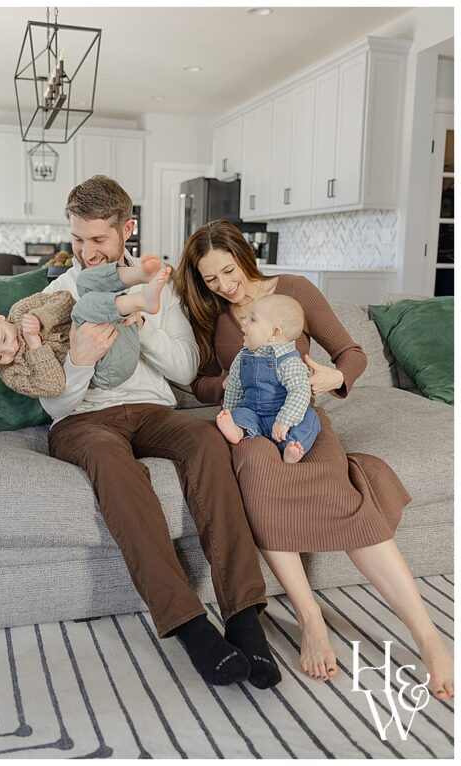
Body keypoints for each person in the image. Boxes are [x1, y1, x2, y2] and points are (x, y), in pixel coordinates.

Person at [174, 218, 453, 701]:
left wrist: (331, 378)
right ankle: (311, 618)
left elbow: (352, 352)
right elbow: (197, 382)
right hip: (248, 424)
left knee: (344, 494)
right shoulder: (211, 312)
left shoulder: (295, 291)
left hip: (299, 415)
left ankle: (428, 636)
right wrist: (232, 385)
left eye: (228, 270)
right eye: (210, 278)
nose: (224, 285)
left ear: (244, 254)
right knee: (259, 475)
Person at [39, 175, 281, 690]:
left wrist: (140, 316)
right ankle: (192, 627)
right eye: (78, 239)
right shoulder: (58, 295)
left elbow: (187, 366)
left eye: (98, 239)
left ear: (126, 229)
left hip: (151, 408)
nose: (86, 252)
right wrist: (78, 363)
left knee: (206, 442)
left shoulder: (158, 286)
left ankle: (244, 617)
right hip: (83, 420)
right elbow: (53, 401)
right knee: (110, 462)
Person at [0, 256, 171, 397]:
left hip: (121, 328)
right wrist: (35, 344)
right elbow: (54, 387)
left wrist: (40, 317)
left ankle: (139, 274)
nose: (10, 350)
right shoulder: (13, 373)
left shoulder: (20, 311)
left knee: (84, 281)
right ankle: (141, 301)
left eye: (4, 340)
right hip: (108, 369)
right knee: (84, 307)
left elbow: (65, 300)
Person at [217, 293, 320, 464]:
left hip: (282, 416)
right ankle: (237, 430)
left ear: (274, 333)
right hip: (253, 413)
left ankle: (292, 446)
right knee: (240, 414)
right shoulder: (242, 358)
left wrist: (284, 421)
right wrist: (229, 412)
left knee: (310, 418)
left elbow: (300, 393)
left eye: (252, 320)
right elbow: (235, 388)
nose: (244, 323)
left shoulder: (289, 362)